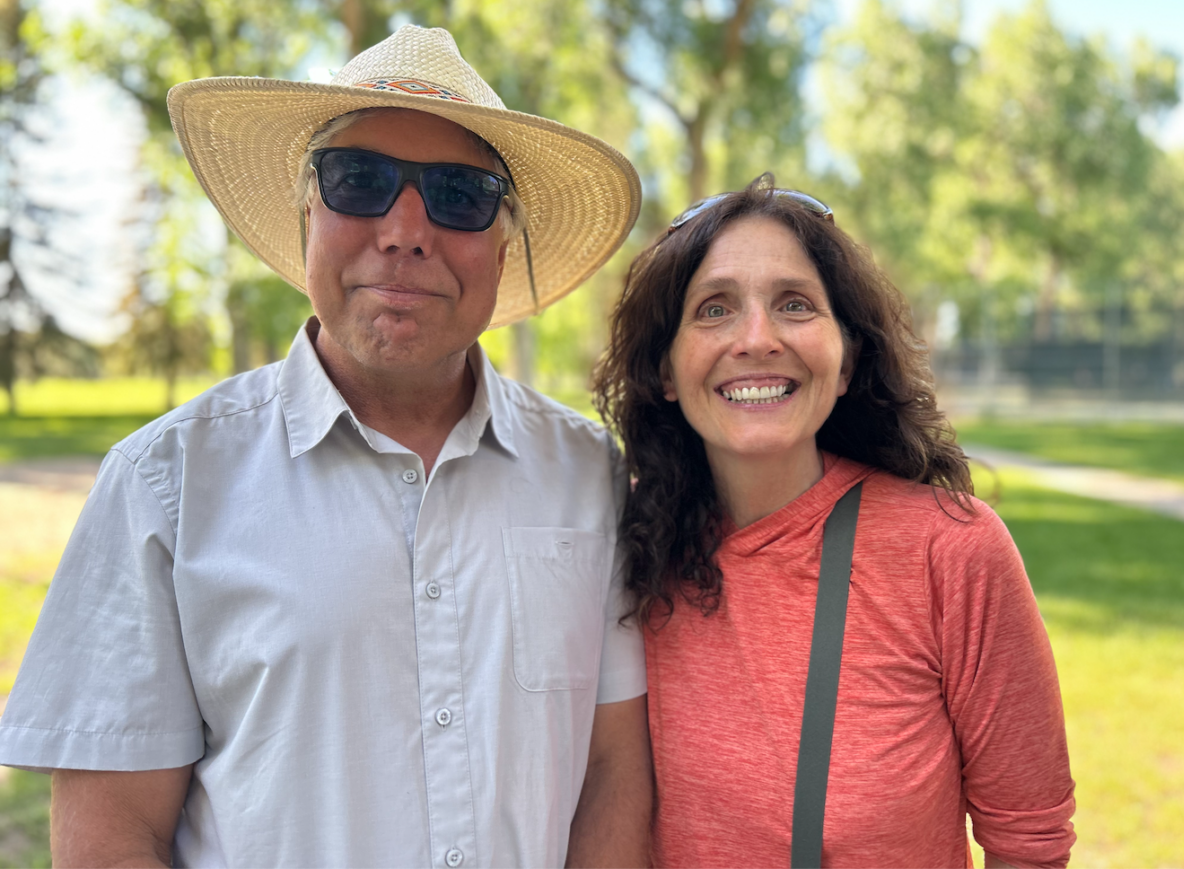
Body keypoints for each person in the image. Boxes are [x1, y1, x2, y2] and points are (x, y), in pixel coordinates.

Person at [0, 25, 651, 868]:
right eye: (360, 181)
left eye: (460, 195)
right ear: (307, 210)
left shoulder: (588, 474)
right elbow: (113, 830)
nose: (405, 229)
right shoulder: (166, 485)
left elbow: (612, 769)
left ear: (502, 240)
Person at [593, 175, 1076, 868]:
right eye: (713, 309)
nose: (756, 338)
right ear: (665, 370)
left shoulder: (951, 552)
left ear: (846, 359)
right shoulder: (627, 554)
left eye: (794, 304)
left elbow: (1030, 841)